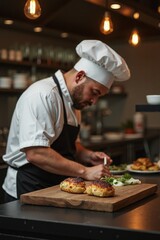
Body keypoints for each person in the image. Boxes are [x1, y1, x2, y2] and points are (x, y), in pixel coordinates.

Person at [2, 40, 130, 202]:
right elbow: (36, 153)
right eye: (94, 92)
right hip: (28, 186)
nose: (94, 102)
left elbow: (70, 146)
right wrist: (85, 171)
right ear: (80, 76)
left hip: (57, 186)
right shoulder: (42, 94)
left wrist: (88, 156)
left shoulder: (74, 104)